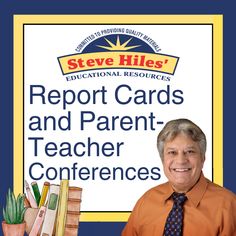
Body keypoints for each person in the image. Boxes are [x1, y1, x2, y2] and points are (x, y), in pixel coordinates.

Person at [122, 118, 236, 236]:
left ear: (203, 158)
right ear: (163, 159)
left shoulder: (229, 207)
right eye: (172, 152)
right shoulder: (146, 202)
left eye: (190, 151)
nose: (181, 161)